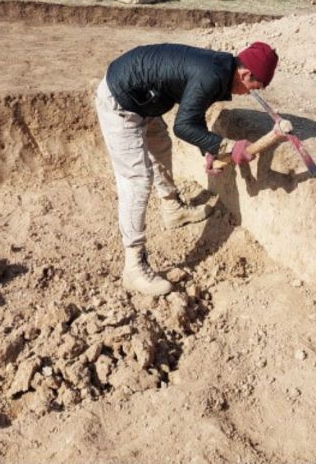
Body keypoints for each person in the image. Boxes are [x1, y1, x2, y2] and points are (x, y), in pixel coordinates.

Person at [95, 41, 279, 296]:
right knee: (137, 180)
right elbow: (183, 126)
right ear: (246, 74)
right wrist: (227, 146)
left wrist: (210, 149)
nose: (249, 94)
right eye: (254, 88)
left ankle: (172, 209)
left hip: (144, 98)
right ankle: (133, 268)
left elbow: (194, 113)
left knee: (160, 146)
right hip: (121, 100)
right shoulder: (213, 75)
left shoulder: (221, 69)